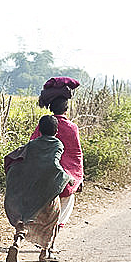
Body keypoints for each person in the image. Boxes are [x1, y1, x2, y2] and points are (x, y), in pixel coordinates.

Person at [5, 116, 74, 262]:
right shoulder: (57, 144)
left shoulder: (32, 144)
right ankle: (45, 252)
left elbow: (16, 158)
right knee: (52, 218)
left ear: (40, 130)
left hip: (29, 190)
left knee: (24, 218)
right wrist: (67, 177)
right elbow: (54, 165)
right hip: (46, 192)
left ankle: (17, 242)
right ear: (56, 131)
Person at [31, 78, 83, 243]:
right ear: (66, 108)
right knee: (67, 202)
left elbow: (32, 146)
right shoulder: (72, 128)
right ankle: (51, 241)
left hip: (43, 176)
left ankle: (39, 237)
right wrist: (78, 177)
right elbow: (76, 154)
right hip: (66, 178)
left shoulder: (43, 124)